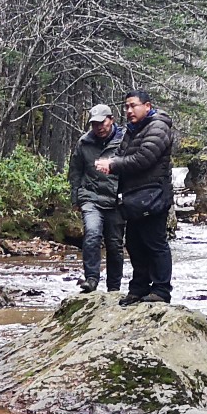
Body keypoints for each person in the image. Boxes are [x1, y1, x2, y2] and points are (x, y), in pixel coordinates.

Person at [94, 89, 176, 303]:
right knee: (134, 243)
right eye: (126, 106)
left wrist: (113, 164)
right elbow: (123, 155)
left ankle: (161, 290)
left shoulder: (158, 127)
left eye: (133, 106)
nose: (129, 110)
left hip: (154, 195)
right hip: (135, 197)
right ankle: (139, 288)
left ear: (147, 106)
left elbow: (144, 158)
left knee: (155, 243)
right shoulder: (133, 129)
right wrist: (112, 164)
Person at [67, 102, 125, 293]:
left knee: (115, 245)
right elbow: (75, 171)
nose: (99, 127)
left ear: (111, 120)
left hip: (116, 200)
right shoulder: (84, 143)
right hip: (90, 197)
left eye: (102, 123)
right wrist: (75, 198)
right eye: (94, 124)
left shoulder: (124, 140)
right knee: (92, 234)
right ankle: (91, 279)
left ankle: (114, 287)